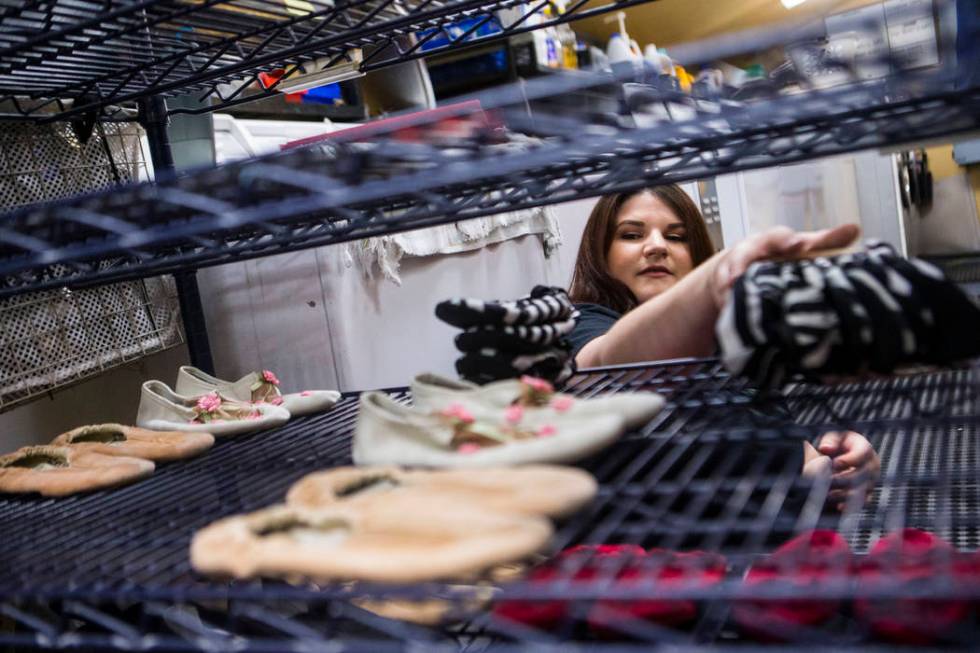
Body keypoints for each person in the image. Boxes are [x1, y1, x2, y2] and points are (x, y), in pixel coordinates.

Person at [567, 184, 880, 510]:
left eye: (676, 237)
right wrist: (715, 276)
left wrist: (844, 463)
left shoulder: (728, 341)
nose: (657, 247)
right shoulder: (582, 321)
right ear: (601, 252)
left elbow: (792, 448)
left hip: (773, 541)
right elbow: (604, 363)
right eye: (632, 235)